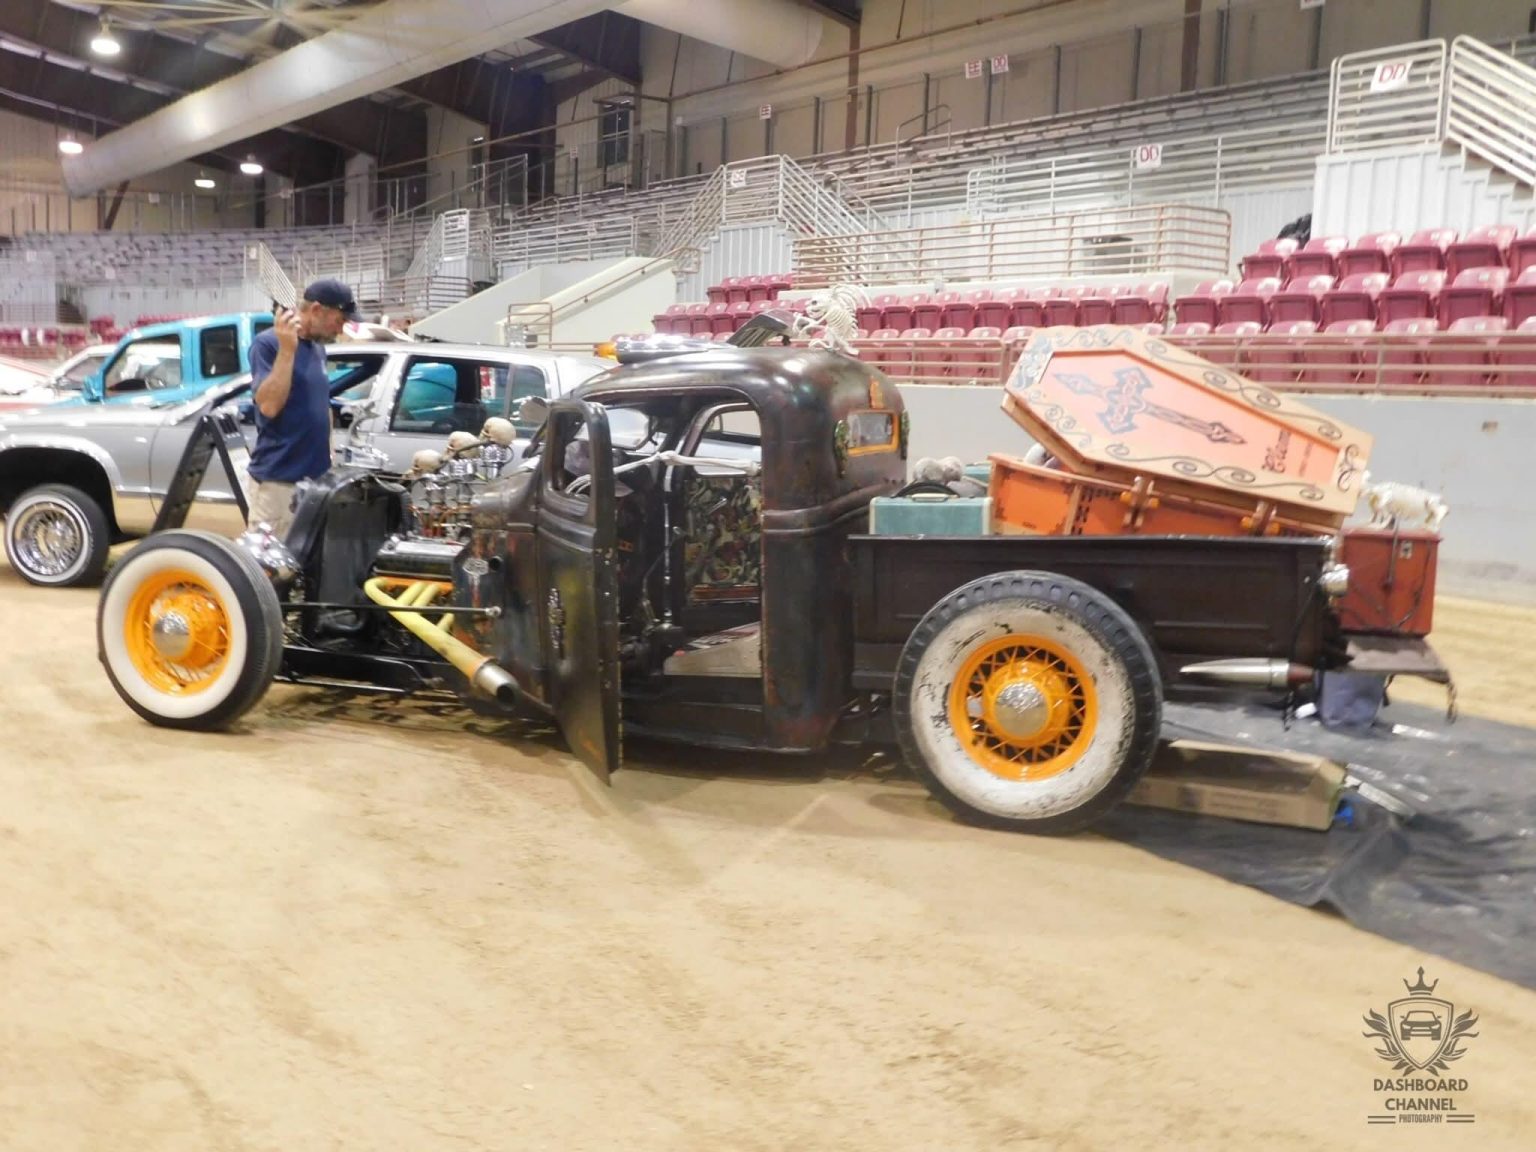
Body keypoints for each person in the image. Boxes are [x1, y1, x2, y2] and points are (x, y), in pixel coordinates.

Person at [245, 278, 357, 535]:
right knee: (272, 558)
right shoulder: (268, 344)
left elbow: (321, 403)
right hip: (280, 483)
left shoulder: (317, 349)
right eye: (339, 320)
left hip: (313, 483)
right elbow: (269, 407)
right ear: (317, 310)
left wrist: (329, 454)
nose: (341, 329)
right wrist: (287, 350)